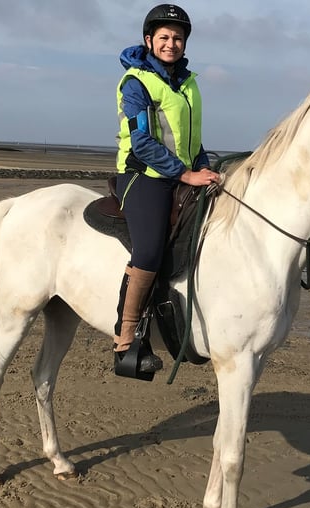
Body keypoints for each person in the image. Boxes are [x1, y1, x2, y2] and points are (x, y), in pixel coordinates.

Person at [112, 4, 221, 377]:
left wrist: (204, 166)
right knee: (149, 250)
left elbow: (191, 139)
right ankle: (126, 341)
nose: (171, 43)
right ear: (149, 41)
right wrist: (185, 175)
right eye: (163, 37)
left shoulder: (188, 83)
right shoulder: (136, 82)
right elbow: (142, 142)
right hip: (144, 176)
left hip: (182, 173)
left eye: (177, 38)